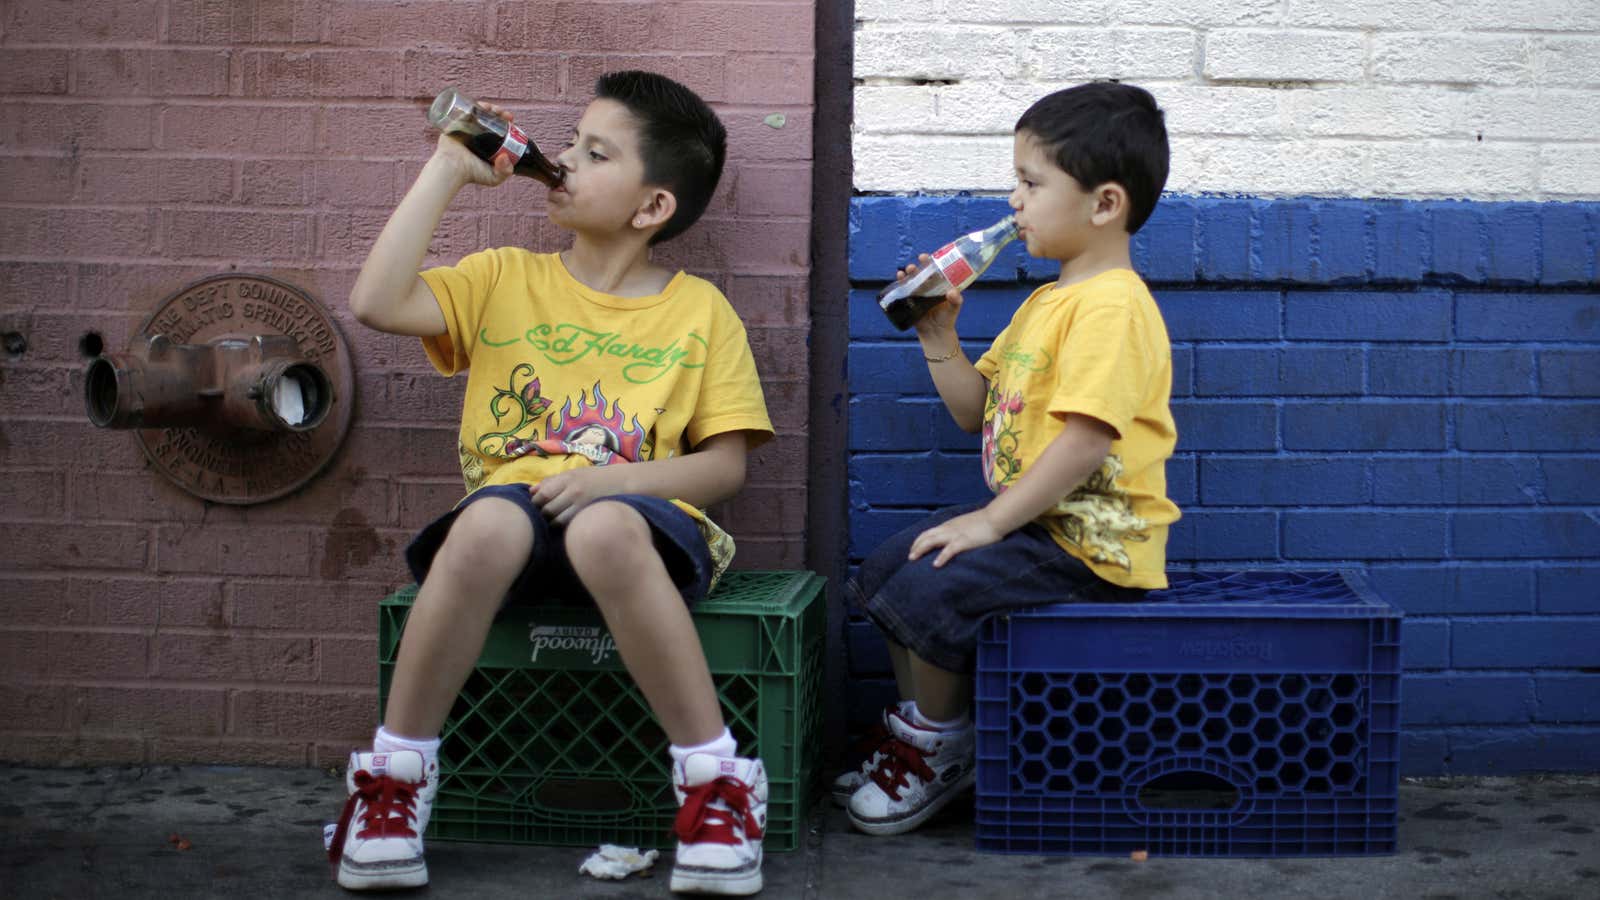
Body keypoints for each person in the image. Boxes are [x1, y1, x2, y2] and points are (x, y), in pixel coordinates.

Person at [324, 71, 774, 895]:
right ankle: (392, 781)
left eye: (594, 153)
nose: (562, 160)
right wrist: (448, 169)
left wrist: (613, 484)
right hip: (512, 521)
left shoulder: (699, 311)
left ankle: (717, 784)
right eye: (570, 142)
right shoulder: (504, 278)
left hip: (640, 530)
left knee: (606, 527)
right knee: (486, 524)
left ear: (651, 209)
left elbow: (725, 467)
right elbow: (378, 301)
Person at [836, 81, 1181, 836]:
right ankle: (928, 731)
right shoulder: (1046, 302)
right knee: (895, 566)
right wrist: (939, 339)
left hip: (1090, 544)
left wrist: (991, 524)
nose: (1014, 202)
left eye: (1031, 183)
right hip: (1040, 525)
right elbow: (974, 413)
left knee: (932, 586)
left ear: (1104, 204)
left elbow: (1088, 442)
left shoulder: (1114, 307)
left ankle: (939, 748)